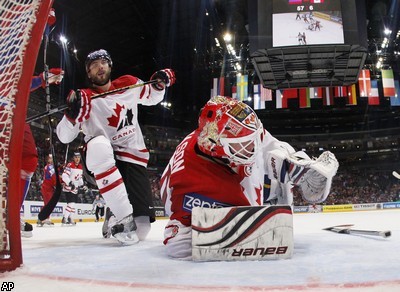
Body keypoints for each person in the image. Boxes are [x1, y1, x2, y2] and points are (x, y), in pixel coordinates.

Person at [160, 96, 339, 260]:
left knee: (270, 159)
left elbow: (264, 141)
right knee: (253, 210)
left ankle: (273, 187)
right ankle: (258, 208)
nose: (254, 147)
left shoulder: (220, 135)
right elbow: (177, 244)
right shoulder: (191, 185)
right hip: (208, 190)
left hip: (224, 170)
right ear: (216, 145)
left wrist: (291, 159)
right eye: (244, 144)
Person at [56, 49, 175, 244]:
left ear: (110, 65)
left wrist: (160, 83)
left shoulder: (128, 83)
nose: (99, 67)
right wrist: (71, 115)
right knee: (100, 145)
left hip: (133, 156)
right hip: (99, 158)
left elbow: (153, 97)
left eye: (103, 62)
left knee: (143, 230)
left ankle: (113, 210)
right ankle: (121, 216)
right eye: (93, 65)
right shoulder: (84, 98)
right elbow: (64, 137)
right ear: (88, 73)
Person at [19, 68, 64, 237]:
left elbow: (20, 84)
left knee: (28, 160)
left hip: (15, 116)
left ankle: (12, 215)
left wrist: (44, 78)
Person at [60, 151, 84, 226]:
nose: (77, 159)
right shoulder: (70, 165)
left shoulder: (80, 167)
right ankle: (65, 218)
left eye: (78, 157)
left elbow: (79, 178)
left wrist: (82, 184)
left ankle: (71, 218)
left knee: (72, 204)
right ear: (73, 158)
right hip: (69, 188)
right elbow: (64, 176)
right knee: (71, 203)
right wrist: (70, 183)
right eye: (76, 157)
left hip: (75, 189)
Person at [37, 154, 57, 226]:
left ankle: (43, 218)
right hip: (47, 188)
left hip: (48, 188)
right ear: (48, 160)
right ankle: (42, 218)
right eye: (50, 158)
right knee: (48, 204)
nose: (51, 160)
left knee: (47, 204)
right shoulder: (49, 167)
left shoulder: (51, 167)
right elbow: (54, 177)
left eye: (52, 158)